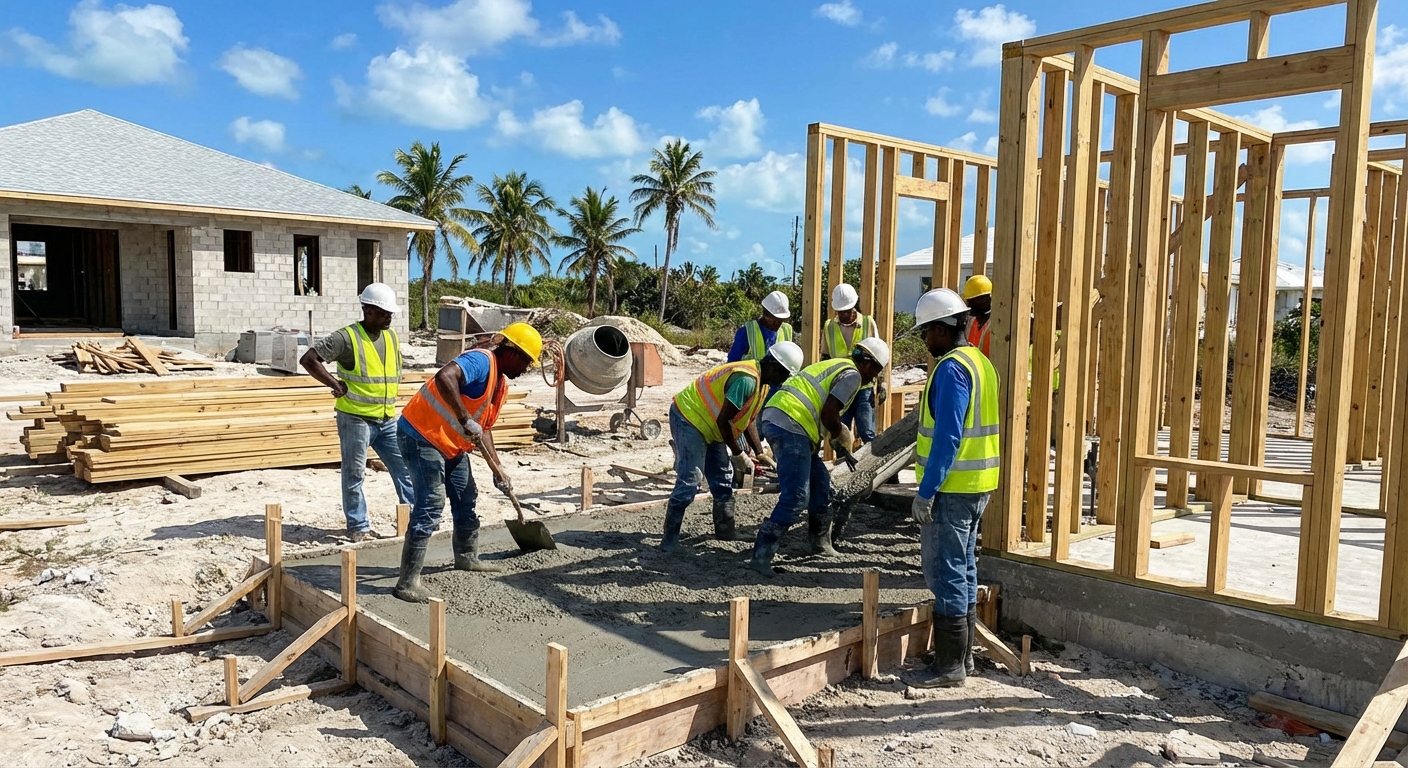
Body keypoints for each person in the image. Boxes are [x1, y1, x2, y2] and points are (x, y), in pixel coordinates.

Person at [392, 322, 543, 603]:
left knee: (465, 494)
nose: (525, 370)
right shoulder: (481, 361)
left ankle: (466, 556)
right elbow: (444, 377)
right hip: (422, 435)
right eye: (526, 362)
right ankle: (407, 582)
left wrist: (497, 468)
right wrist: (464, 419)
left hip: (449, 444)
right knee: (431, 503)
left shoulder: (499, 384)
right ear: (513, 352)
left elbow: (482, 428)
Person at [909, 288, 1001, 688]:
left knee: (945, 572)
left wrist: (926, 491)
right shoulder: (981, 362)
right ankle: (963, 660)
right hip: (978, 485)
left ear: (943, 329)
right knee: (963, 570)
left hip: (952, 488)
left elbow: (947, 436)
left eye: (926, 333)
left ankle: (949, 667)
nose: (925, 341)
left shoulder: (950, 369)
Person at [746, 338, 891, 577]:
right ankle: (762, 555)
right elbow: (829, 414)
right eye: (875, 374)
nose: (872, 380)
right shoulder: (853, 375)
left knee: (822, 485)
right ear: (871, 366)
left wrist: (834, 436)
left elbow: (820, 406)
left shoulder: (837, 365)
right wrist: (840, 433)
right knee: (796, 496)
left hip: (786, 420)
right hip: (791, 423)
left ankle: (820, 544)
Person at [661, 341, 804, 551]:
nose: (783, 382)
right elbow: (724, 421)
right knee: (690, 481)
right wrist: (738, 453)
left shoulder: (761, 382)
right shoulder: (746, 380)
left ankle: (725, 532)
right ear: (776, 368)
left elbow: (747, 420)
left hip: (711, 424)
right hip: (690, 418)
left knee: (722, 479)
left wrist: (759, 452)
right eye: (785, 375)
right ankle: (669, 541)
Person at [299, 283, 414, 542]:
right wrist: (333, 383)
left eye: (391, 313)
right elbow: (308, 359)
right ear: (368, 310)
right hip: (356, 418)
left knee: (404, 468)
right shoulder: (347, 337)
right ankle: (358, 526)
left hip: (386, 419)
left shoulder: (392, 336)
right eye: (384, 312)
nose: (389, 317)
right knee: (354, 474)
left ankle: (414, 517)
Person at [823, 283, 884, 444]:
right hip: (841, 387)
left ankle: (872, 466)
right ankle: (843, 465)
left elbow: (879, 354)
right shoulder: (829, 327)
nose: (844, 315)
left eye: (847, 311)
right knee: (840, 431)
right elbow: (825, 357)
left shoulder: (867, 323)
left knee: (867, 431)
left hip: (864, 387)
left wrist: (881, 383)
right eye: (840, 312)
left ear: (853, 306)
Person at [727, 290, 795, 363]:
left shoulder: (787, 330)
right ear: (765, 314)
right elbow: (732, 363)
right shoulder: (746, 331)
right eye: (774, 319)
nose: (777, 323)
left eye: (781, 319)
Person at [962, 275, 993, 358]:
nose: (969, 305)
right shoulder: (969, 323)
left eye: (972, 301)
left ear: (986, 300)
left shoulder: (997, 325)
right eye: (968, 301)